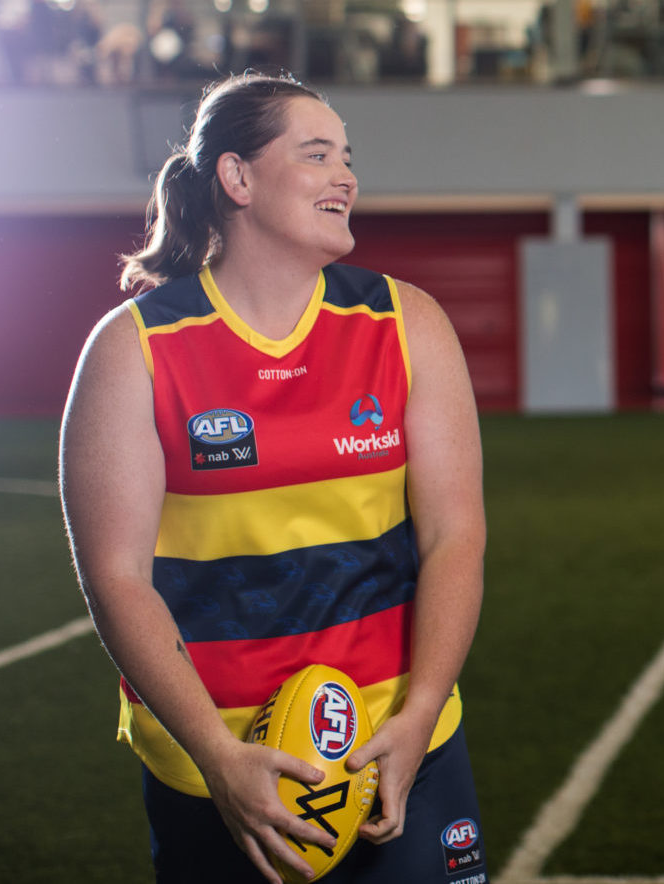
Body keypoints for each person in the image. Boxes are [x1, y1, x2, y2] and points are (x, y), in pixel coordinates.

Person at [60, 72, 488, 884]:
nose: (347, 177)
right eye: (317, 154)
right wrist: (220, 758)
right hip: (219, 762)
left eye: (348, 158)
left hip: (396, 737)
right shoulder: (134, 350)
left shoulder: (408, 323)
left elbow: (455, 535)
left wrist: (422, 710)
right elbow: (116, 577)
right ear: (237, 178)